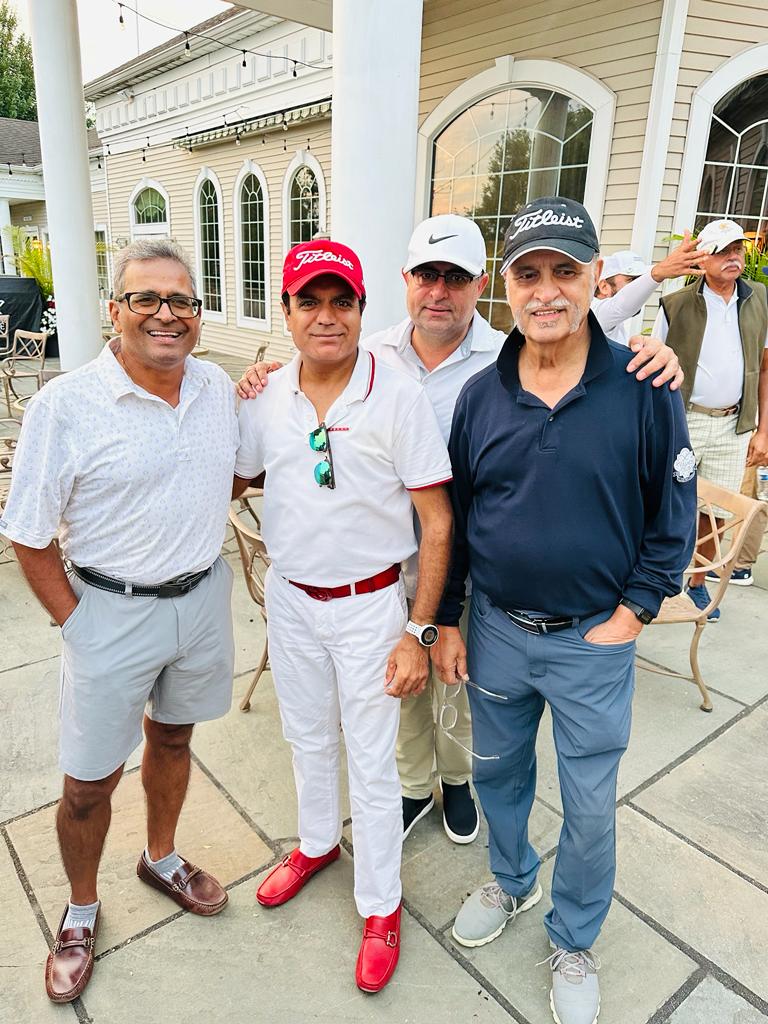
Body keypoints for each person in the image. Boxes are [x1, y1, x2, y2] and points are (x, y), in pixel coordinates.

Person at [237, 218, 685, 848]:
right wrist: (262, 379)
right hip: (383, 565)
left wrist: (657, 352)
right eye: (427, 275)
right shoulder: (371, 350)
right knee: (400, 694)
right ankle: (413, 786)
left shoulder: (505, 358)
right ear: (406, 280)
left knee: (460, 688)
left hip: (469, 562)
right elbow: (310, 377)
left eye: (455, 278)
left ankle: (456, 782)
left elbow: (588, 343)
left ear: (480, 285)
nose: (438, 291)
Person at [433, 197, 696, 1024]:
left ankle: (574, 935)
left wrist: (636, 612)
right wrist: (448, 618)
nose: (546, 291)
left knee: (587, 807)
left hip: (591, 641)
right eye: (529, 274)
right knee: (497, 774)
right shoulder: (479, 396)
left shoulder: (645, 386)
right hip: (499, 632)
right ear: (506, 286)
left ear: (595, 279)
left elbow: (673, 513)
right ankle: (512, 880)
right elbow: (459, 519)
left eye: (565, 271)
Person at [0, 239, 239, 1003]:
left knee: (173, 737)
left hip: (200, 599)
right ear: (115, 310)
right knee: (87, 782)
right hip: (109, 610)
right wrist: (77, 624)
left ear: (197, 314)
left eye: (181, 300)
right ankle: (79, 909)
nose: (165, 314)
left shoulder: (217, 388)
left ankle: (160, 856)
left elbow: (235, 474)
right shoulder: (66, 406)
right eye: (145, 298)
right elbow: (27, 533)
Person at [233, 240, 453, 993]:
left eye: (341, 301)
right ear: (286, 311)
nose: (326, 317)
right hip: (293, 599)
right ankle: (317, 842)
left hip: (370, 607)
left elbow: (437, 522)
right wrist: (231, 391)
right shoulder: (266, 395)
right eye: (310, 302)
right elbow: (233, 478)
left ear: (361, 308)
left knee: (371, 759)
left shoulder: (397, 394)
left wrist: (417, 630)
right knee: (305, 737)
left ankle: (381, 905)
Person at [653, 218, 768, 609]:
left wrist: (762, 430)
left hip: (734, 424)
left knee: (716, 513)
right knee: (667, 504)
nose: (733, 258)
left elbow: (765, 368)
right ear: (702, 260)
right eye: (722, 252)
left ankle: (699, 582)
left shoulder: (759, 299)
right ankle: (660, 578)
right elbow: (654, 367)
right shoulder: (675, 305)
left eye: (737, 250)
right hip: (684, 420)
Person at [592, 233, 709, 345]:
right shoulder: (593, 313)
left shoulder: (615, 323)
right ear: (604, 287)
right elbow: (620, 306)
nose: (639, 286)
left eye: (641, 279)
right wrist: (659, 273)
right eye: (632, 280)